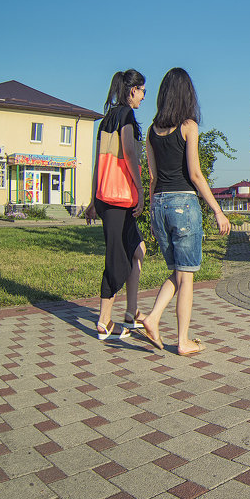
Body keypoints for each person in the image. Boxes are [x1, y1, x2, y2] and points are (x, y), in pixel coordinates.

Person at [134, 68, 231, 356]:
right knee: (187, 276)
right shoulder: (188, 126)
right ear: (187, 94)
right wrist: (218, 211)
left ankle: (152, 318)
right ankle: (183, 341)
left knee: (178, 271)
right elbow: (196, 174)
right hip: (183, 205)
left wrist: (152, 213)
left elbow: (151, 177)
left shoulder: (152, 130)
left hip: (160, 205)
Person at [85, 69, 146, 340]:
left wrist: (92, 199)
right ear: (132, 90)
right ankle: (104, 320)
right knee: (117, 259)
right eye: (143, 91)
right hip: (120, 198)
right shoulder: (125, 115)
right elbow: (130, 152)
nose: (144, 96)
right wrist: (141, 190)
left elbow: (99, 162)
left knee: (138, 250)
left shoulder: (107, 118)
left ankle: (131, 314)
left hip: (106, 197)